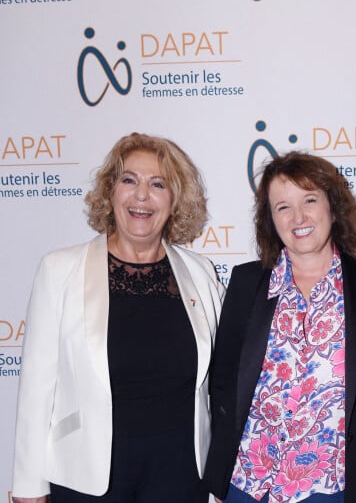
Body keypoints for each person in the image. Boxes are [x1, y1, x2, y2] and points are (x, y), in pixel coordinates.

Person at [12, 132, 224, 503]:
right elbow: (36, 389)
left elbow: (225, 378)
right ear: (110, 191)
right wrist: (29, 487)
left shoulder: (200, 272)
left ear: (174, 200)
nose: (142, 195)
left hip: (180, 479)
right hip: (87, 480)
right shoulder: (60, 269)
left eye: (158, 184)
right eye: (129, 180)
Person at [204, 151, 356, 503]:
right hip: (250, 483)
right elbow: (223, 384)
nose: (298, 217)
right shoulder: (246, 283)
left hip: (331, 487)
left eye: (310, 200)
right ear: (270, 219)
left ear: (332, 206)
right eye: (283, 206)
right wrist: (220, 476)